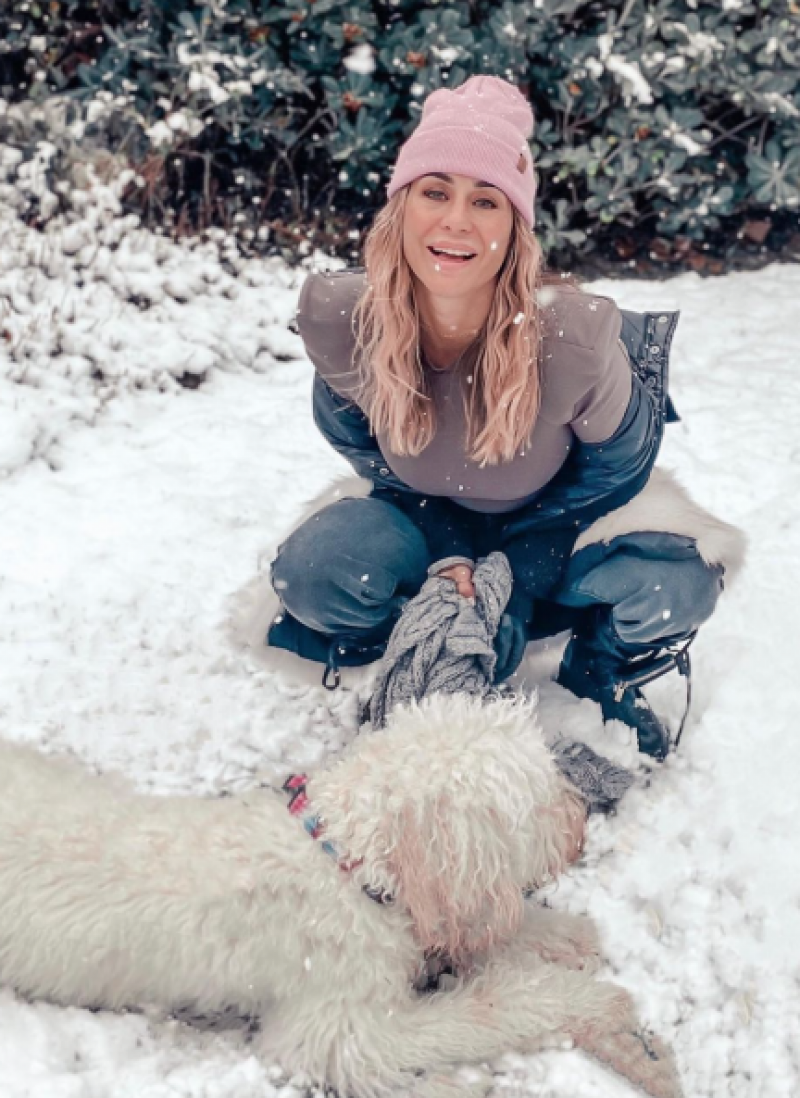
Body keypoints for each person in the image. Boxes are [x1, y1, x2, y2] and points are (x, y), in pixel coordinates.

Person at [259, 74, 745, 760]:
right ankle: (408, 653)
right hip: (422, 522)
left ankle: (596, 669)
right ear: (401, 210)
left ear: (515, 230)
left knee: (675, 582)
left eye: (485, 200)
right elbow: (371, 460)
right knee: (316, 569)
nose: (456, 220)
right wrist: (451, 551)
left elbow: (615, 474)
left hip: (562, 530)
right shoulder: (345, 324)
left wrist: (516, 574)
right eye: (435, 192)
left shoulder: (570, 339)